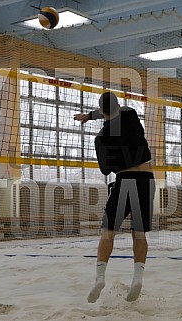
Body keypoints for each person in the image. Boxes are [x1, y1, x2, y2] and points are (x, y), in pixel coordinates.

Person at [74, 91, 155, 302]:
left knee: (107, 231)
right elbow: (115, 111)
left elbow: (105, 170)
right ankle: (137, 276)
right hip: (146, 179)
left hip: (124, 181)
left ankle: (100, 277)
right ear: (119, 105)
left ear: (101, 110)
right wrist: (91, 115)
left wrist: (91, 118)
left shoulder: (101, 138)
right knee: (139, 233)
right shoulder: (130, 114)